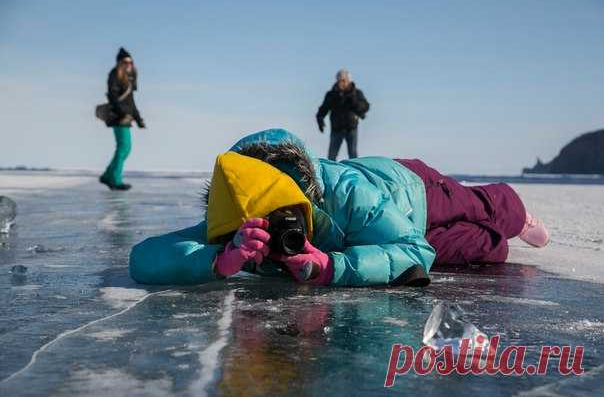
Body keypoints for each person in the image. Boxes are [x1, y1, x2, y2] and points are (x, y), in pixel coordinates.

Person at [129, 129, 550, 287]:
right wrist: (220, 259)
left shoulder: (342, 192)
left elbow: (411, 248)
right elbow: (143, 258)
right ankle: (498, 238)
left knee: (482, 206)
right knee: (483, 249)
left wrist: (334, 268)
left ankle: (513, 206)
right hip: (388, 232)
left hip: (409, 189)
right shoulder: (235, 217)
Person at [99, 47, 146, 191]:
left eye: (130, 62)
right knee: (123, 148)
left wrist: (138, 119)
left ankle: (108, 175)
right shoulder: (114, 75)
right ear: (120, 62)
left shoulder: (130, 78)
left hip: (127, 118)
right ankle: (116, 180)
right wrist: (121, 112)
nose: (128, 64)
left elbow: (131, 101)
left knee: (126, 149)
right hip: (118, 117)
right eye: (126, 62)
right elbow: (112, 96)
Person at [316, 69, 370, 161]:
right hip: (336, 129)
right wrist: (320, 120)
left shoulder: (356, 93)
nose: (342, 83)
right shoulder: (331, 94)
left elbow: (365, 106)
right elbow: (323, 109)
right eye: (339, 80)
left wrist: (353, 100)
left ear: (349, 81)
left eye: (344, 81)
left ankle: (355, 172)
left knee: (353, 155)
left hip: (351, 129)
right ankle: (330, 172)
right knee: (331, 156)